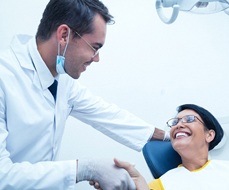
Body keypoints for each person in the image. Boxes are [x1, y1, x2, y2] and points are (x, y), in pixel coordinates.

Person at [0, 0, 169, 189]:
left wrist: (167, 135)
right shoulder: (4, 78)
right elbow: (2, 175)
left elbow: (105, 114)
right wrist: (84, 169)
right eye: (95, 47)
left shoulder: (62, 79)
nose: (96, 58)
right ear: (64, 35)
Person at [114, 104, 229, 190]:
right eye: (175, 123)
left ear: (209, 135)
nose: (179, 124)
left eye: (189, 119)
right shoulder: (161, 185)